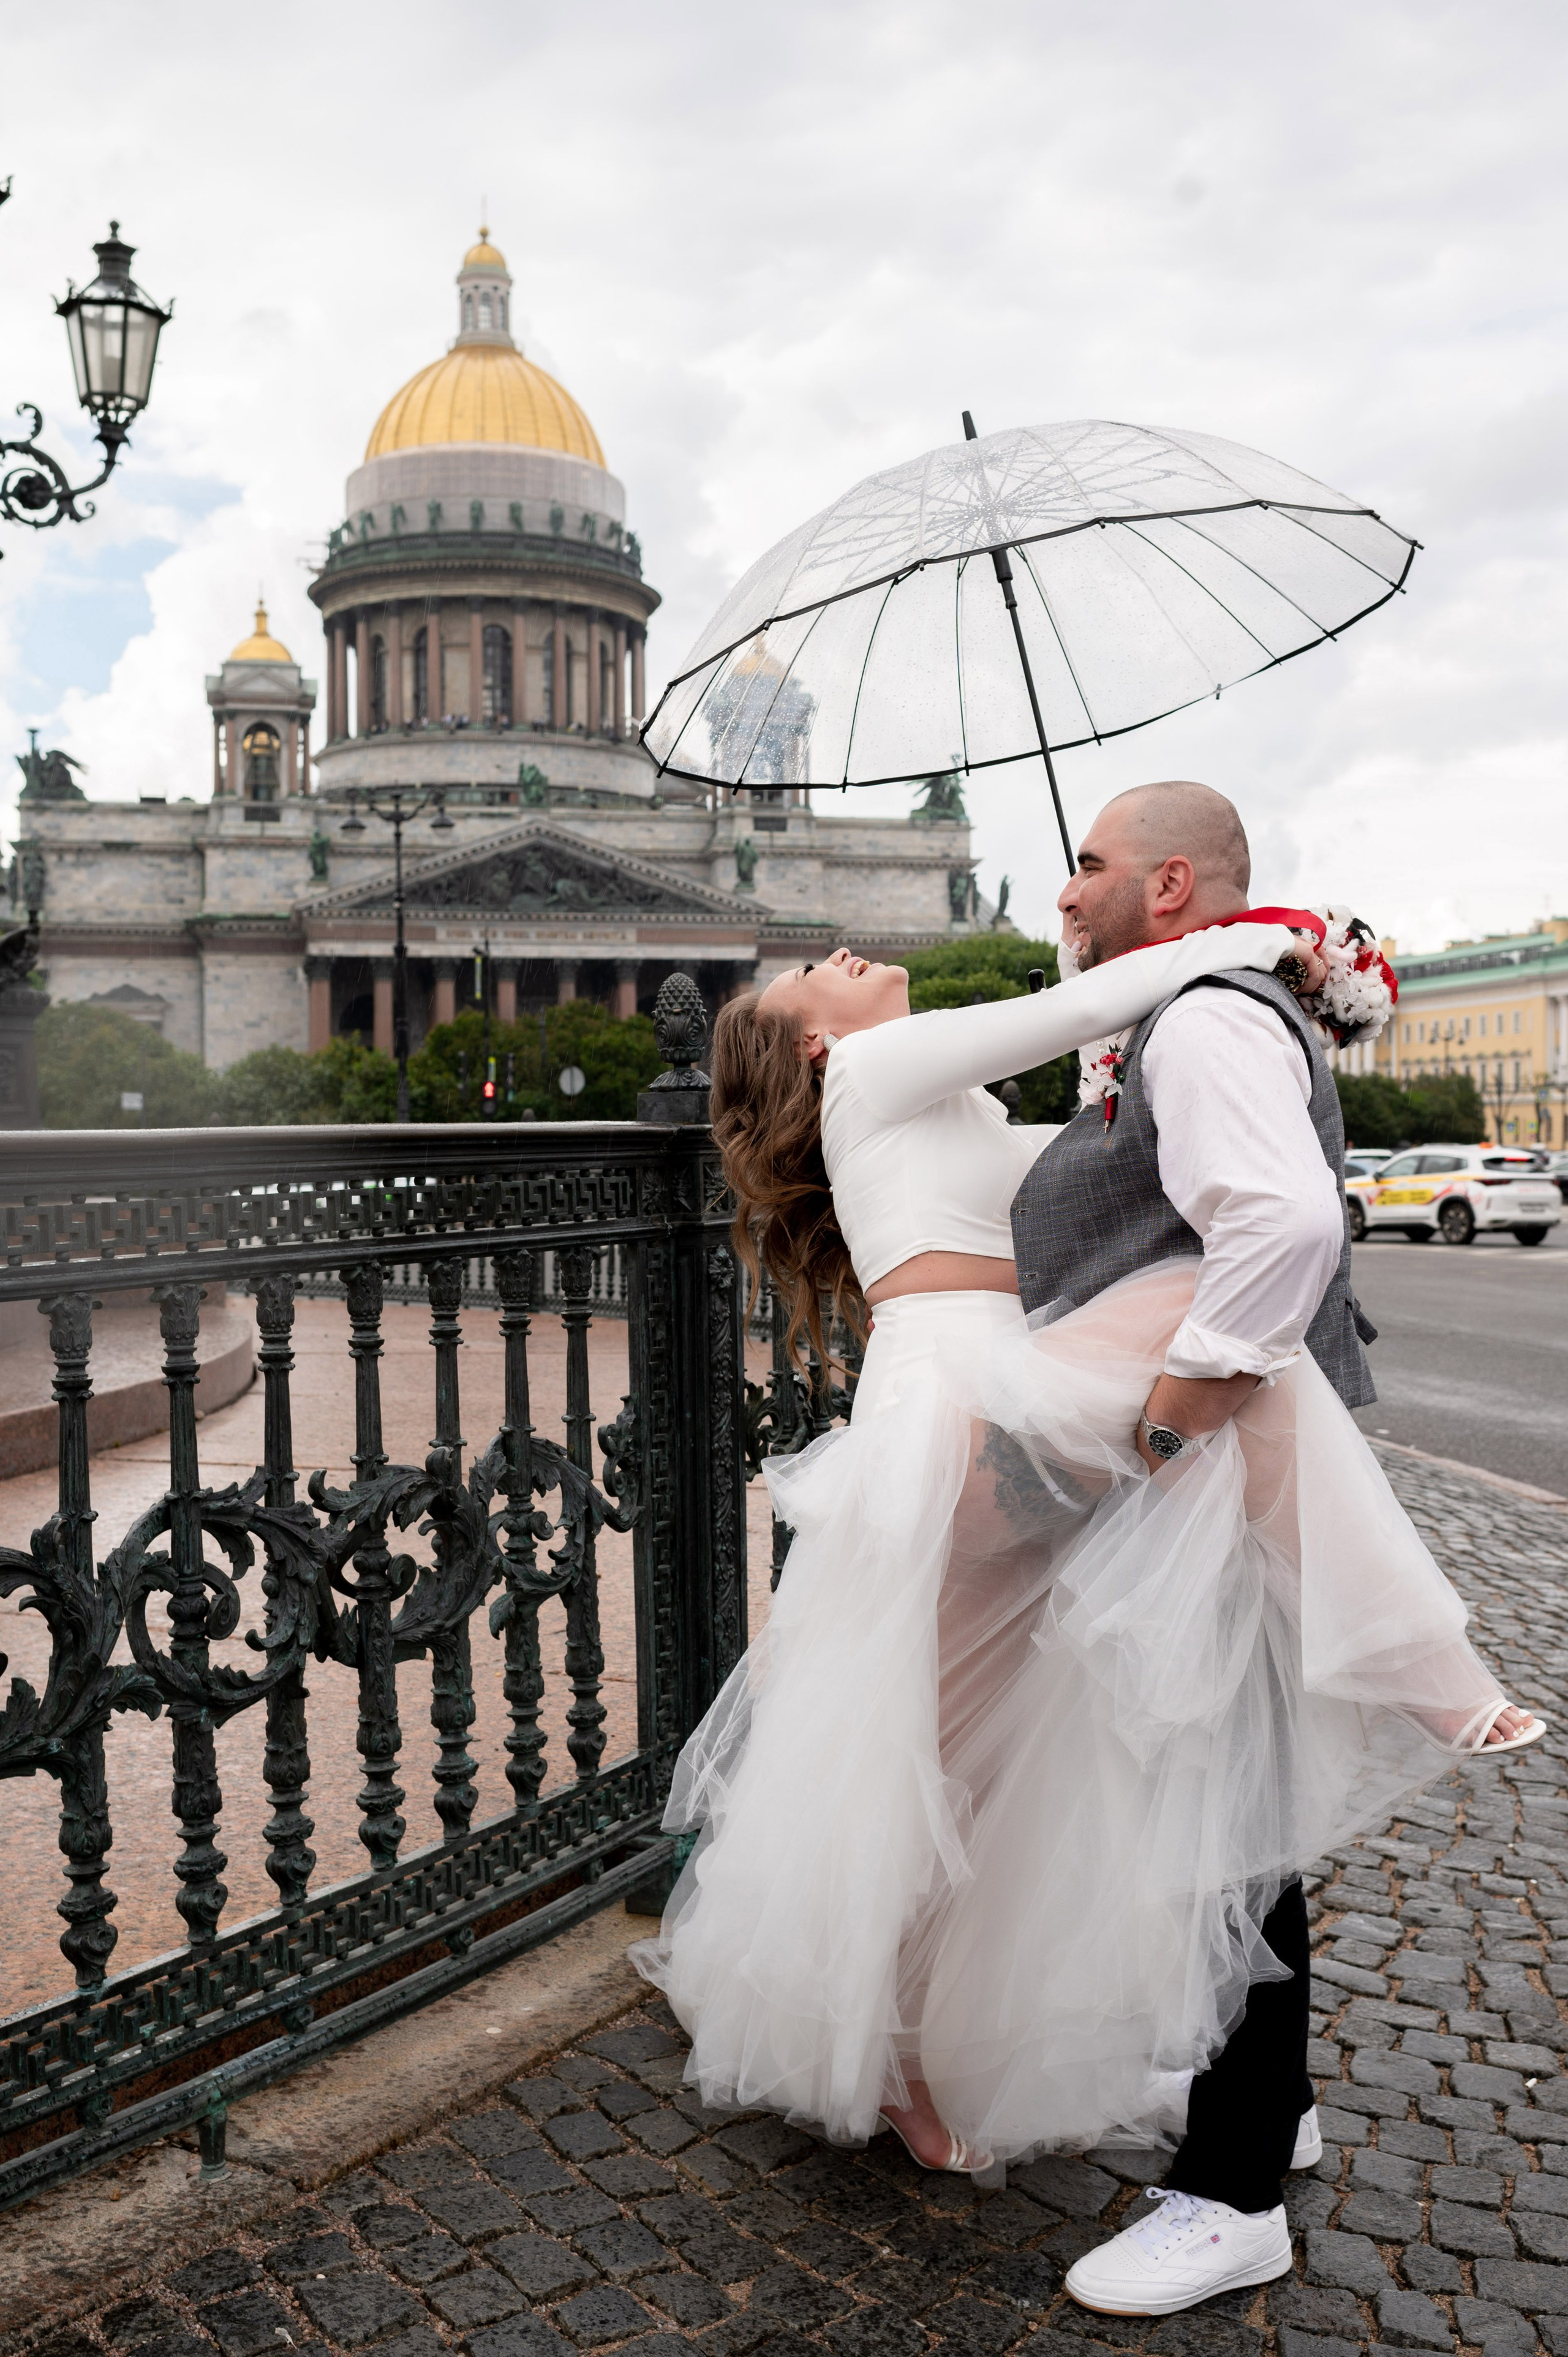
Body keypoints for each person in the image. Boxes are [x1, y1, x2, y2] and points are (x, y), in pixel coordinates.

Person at [629, 819, 1530, 2269]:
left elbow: (1105, 1149)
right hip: (966, 1414)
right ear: (807, 1051)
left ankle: (972, 2069)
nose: (846, 954)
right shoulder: (867, 1071)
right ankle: (1419, 1666)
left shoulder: (958, 1109)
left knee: (987, 1758)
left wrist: (1196, 1023)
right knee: (948, 1742)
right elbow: (1066, 1013)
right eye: (818, 970)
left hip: (1037, 1399)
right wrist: (1238, 952)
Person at [1006, 780, 1539, 2317]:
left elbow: (1285, 1224)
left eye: (1087, 867)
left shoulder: (1204, 1017)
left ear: (1168, 885)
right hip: (1222, 1466)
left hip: (1210, 1470)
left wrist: (1163, 1428)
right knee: (1222, 1779)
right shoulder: (1177, 1009)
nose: (1063, 893)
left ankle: (1231, 2192)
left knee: (1219, 1798)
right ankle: (1271, 2104)